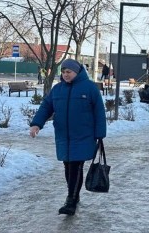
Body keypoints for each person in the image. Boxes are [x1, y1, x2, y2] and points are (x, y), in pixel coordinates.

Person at [29, 59, 107, 216]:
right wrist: (36, 124)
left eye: (69, 72)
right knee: (68, 166)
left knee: (76, 166)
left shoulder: (90, 88)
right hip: (63, 136)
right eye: (63, 72)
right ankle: (73, 195)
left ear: (77, 72)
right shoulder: (57, 89)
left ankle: (71, 200)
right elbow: (46, 107)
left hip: (83, 135)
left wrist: (100, 134)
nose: (65, 75)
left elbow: (99, 111)